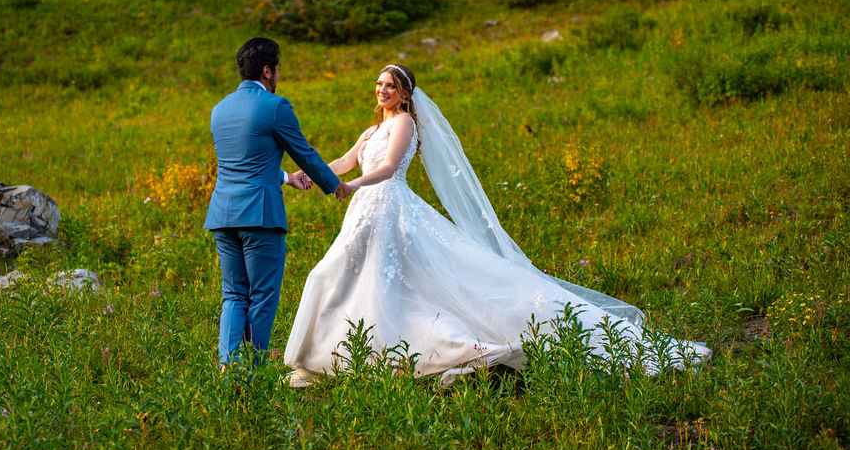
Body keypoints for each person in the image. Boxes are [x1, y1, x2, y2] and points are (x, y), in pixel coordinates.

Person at [284, 63, 711, 386]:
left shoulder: (406, 123)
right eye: (379, 85)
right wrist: (312, 172)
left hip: (391, 206)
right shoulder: (369, 130)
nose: (382, 91)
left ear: (404, 92)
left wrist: (349, 185)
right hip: (365, 212)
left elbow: (391, 166)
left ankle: (385, 353)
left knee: (387, 280)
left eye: (390, 86)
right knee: (348, 277)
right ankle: (333, 358)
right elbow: (341, 162)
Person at [204, 37, 352, 368]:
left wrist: (286, 178)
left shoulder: (219, 110)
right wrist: (335, 185)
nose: (278, 76)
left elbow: (246, 161)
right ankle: (252, 372)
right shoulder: (274, 106)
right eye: (278, 69)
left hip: (223, 215)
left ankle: (229, 369)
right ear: (268, 70)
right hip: (260, 216)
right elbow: (305, 152)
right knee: (262, 296)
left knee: (233, 294)